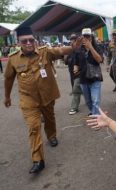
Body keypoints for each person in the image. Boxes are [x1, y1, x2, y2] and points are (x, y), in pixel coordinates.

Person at [4, 26, 81, 174]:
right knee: (33, 127)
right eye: (24, 41)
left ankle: (51, 136)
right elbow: (8, 79)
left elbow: (60, 51)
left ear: (35, 40)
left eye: (31, 40)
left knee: (49, 118)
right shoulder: (13, 59)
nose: (28, 43)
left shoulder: (45, 52)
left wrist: (72, 47)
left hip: (47, 96)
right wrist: (7, 96)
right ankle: (38, 160)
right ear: (18, 42)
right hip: (28, 99)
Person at [74, 28, 103, 115]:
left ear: (91, 37)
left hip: (95, 78)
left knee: (96, 100)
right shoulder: (79, 49)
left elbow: (99, 60)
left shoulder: (97, 47)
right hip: (83, 79)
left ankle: (95, 117)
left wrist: (90, 47)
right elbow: (76, 62)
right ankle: (92, 111)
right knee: (88, 101)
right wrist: (75, 68)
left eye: (88, 36)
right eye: (84, 36)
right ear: (82, 37)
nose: (86, 38)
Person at [65, 34, 82, 115]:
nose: (72, 41)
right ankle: (89, 101)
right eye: (71, 40)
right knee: (78, 89)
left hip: (80, 74)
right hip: (72, 74)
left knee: (75, 90)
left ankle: (74, 108)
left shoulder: (80, 49)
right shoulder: (69, 51)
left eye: (74, 40)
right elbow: (65, 61)